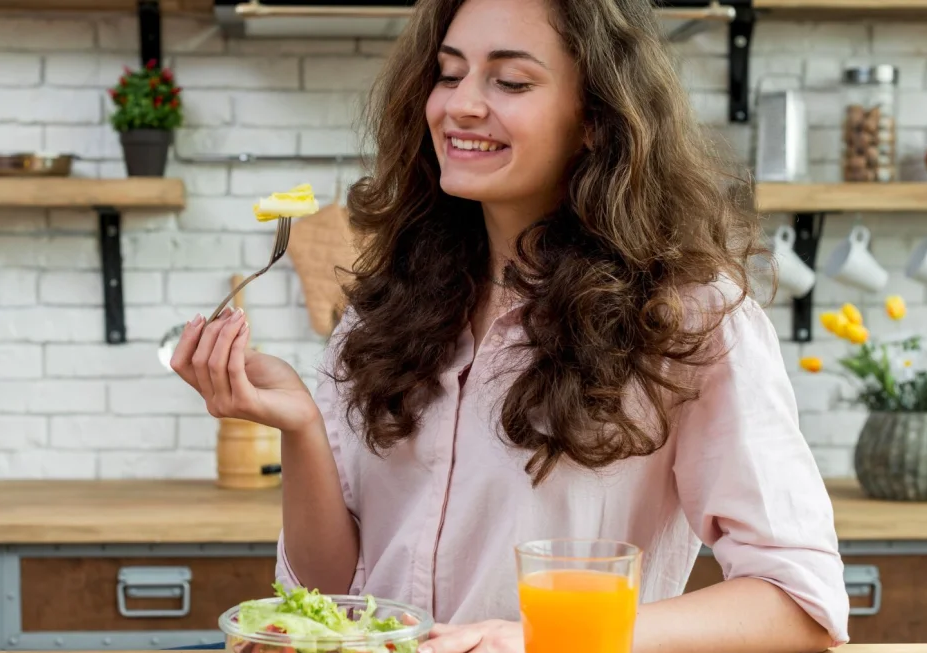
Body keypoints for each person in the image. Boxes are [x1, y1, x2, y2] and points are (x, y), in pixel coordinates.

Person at [170, 0, 850, 651]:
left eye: (511, 80)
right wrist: (301, 428)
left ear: (595, 117)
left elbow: (799, 599)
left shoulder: (685, 317)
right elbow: (330, 592)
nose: (460, 103)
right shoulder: (385, 303)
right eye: (448, 71)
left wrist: (547, 638)